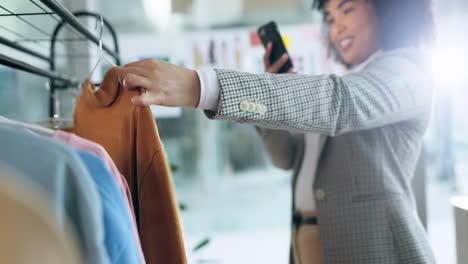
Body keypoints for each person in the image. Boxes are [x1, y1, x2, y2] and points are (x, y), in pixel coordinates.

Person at [116, 0, 436, 263]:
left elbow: (340, 103)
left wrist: (203, 86)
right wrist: (275, 93)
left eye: (347, 10)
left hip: (375, 247)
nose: (337, 26)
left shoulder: (408, 72)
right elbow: (285, 157)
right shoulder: (344, 80)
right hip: (307, 238)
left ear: (386, 9)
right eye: (329, 16)